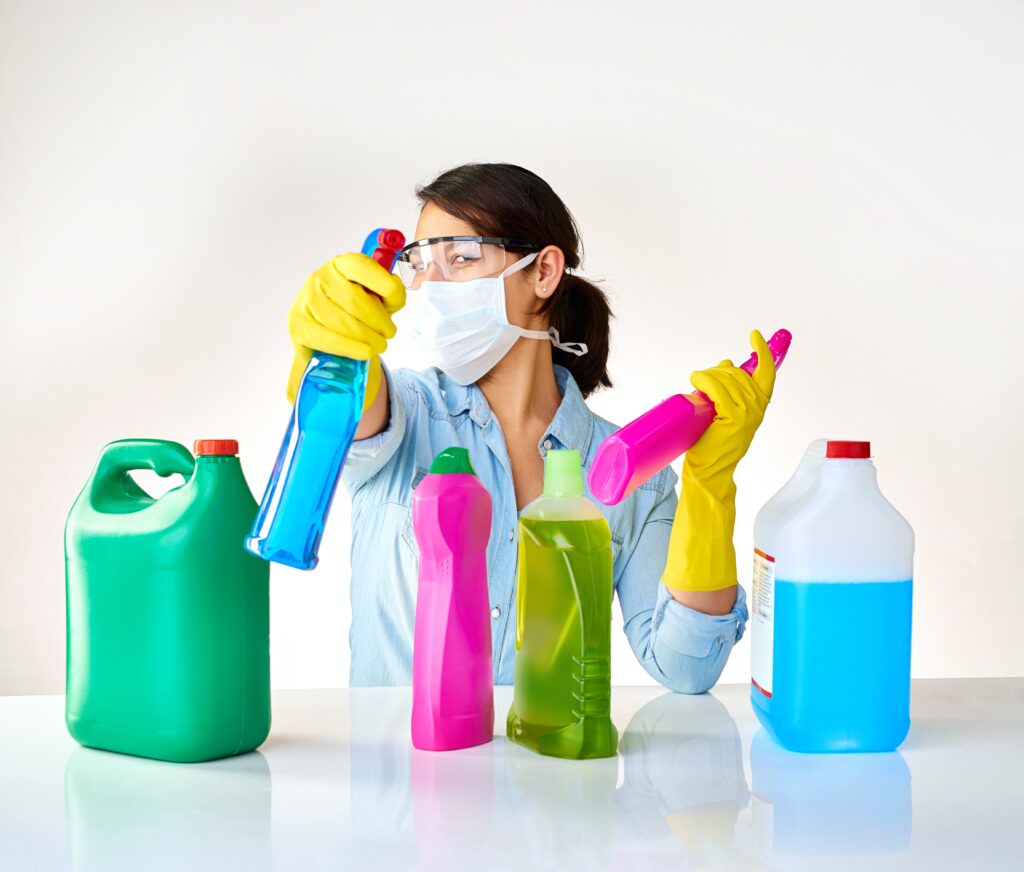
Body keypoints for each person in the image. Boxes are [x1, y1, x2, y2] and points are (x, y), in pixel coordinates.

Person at [285, 163, 776, 690]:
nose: (430, 286)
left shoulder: (635, 472)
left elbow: (685, 668)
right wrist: (329, 348)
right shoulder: (405, 412)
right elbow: (345, 413)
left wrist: (711, 482)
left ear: (543, 272)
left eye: (461, 258)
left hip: (550, 768)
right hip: (404, 768)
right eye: (420, 264)